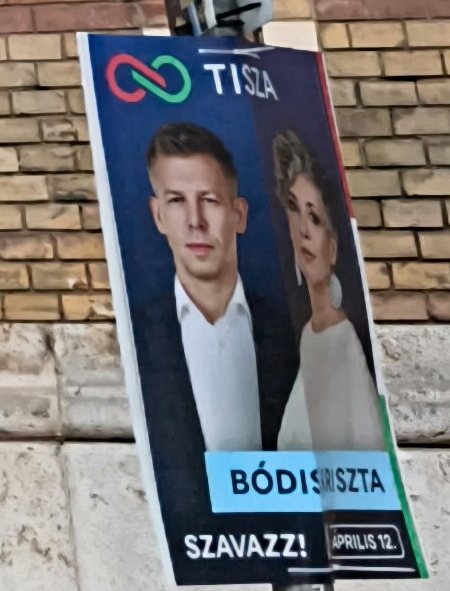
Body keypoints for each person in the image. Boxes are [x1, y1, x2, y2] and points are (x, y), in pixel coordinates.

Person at [128, 118, 299, 541]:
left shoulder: (293, 332)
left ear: (238, 214)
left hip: (286, 545)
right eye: (176, 201)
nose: (195, 221)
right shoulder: (135, 338)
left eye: (208, 200)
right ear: (157, 215)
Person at [267, 126, 384, 454]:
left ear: (332, 248)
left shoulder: (343, 340)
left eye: (315, 218)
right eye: (294, 208)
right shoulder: (308, 335)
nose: (303, 229)